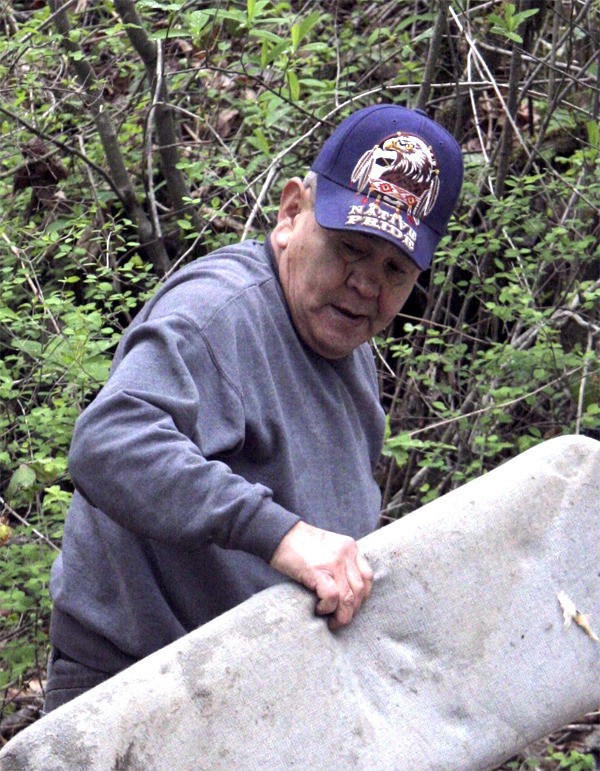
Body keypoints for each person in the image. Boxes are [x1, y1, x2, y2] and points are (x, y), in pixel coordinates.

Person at [44, 104, 463, 712]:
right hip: (133, 696)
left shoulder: (346, 344)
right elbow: (109, 441)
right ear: (292, 212)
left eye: (395, 268)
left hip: (256, 688)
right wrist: (283, 536)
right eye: (350, 248)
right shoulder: (220, 313)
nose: (368, 285)